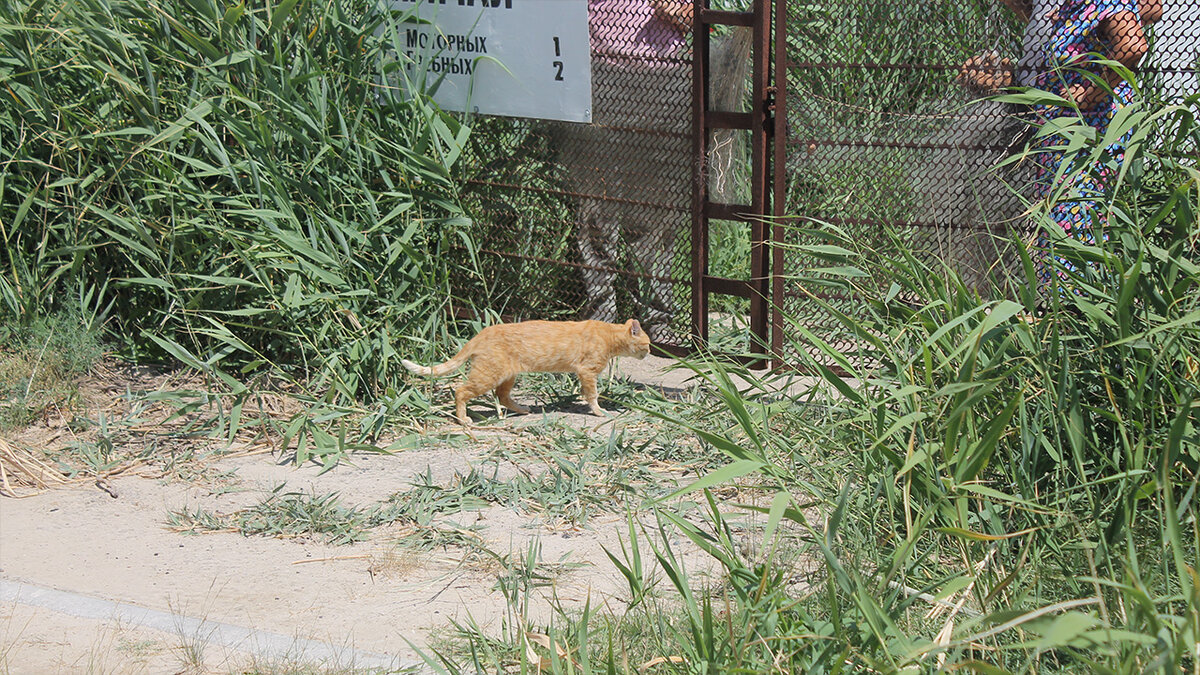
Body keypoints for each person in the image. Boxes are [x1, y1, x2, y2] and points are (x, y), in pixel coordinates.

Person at [961, 0, 1163, 289]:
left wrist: (1089, 95)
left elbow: (1133, 46)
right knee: (1062, 215)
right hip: (1062, 133)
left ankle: (1070, 305)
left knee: (1070, 216)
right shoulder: (1065, 9)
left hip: (1090, 133)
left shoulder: (1097, 2)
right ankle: (1070, 300)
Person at [556, 0, 694, 340]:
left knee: (655, 210)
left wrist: (679, 12)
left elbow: (696, 15)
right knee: (597, 205)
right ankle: (601, 318)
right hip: (602, 75)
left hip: (664, 79)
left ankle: (656, 320)